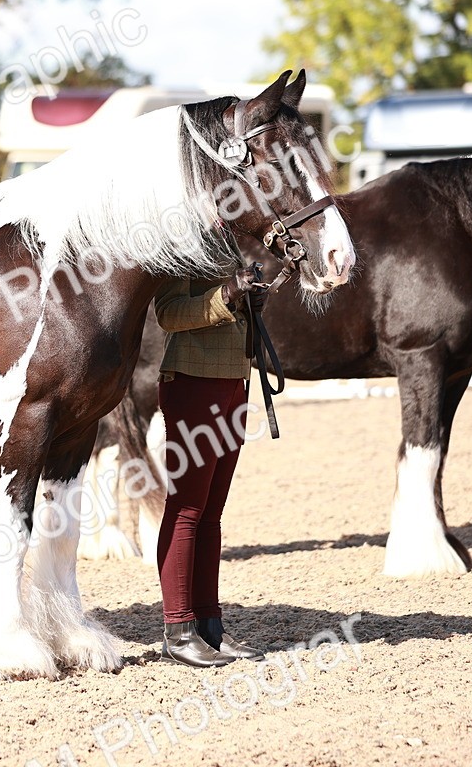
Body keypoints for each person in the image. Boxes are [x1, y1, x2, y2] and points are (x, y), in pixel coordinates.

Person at [152, 265, 268, 668]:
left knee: (211, 515)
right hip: (193, 379)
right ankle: (178, 630)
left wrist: (252, 301)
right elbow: (168, 312)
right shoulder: (182, 242)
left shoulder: (227, 237)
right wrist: (226, 294)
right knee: (186, 509)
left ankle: (208, 625)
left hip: (234, 381)